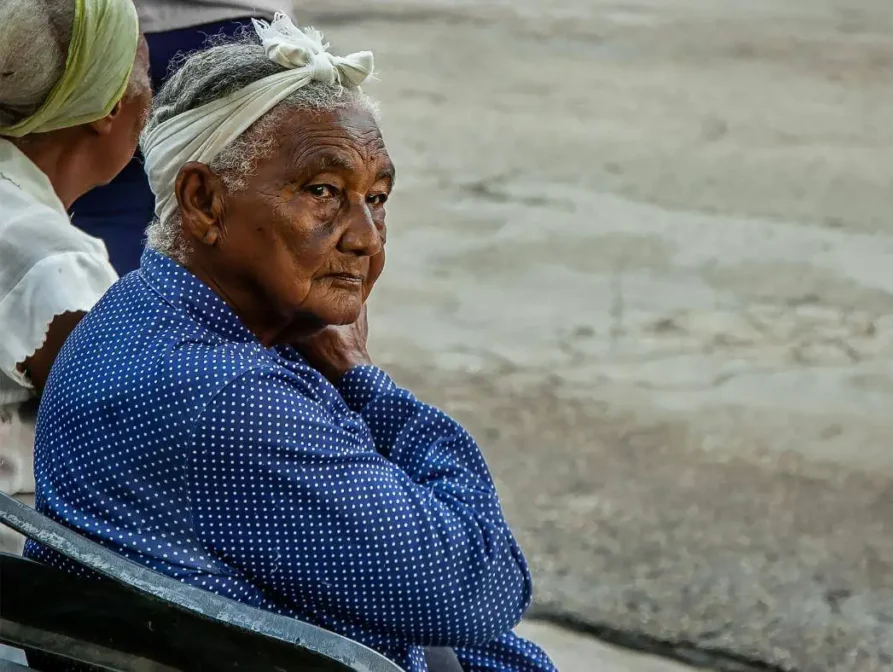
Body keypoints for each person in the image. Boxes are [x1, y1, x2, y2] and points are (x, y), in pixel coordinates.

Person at [26, 14, 556, 672]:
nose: (366, 237)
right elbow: (482, 586)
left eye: (378, 197)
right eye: (324, 192)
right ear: (204, 201)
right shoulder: (232, 396)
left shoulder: (135, 309)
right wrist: (365, 377)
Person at [0, 0, 152, 554]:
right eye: (144, 76)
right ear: (108, 107)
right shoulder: (55, 264)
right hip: (20, 595)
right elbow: (138, 442)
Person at [71, 0, 293, 276]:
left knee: (103, 215)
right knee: (233, 223)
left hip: (106, 26)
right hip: (236, 25)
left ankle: (103, 312)